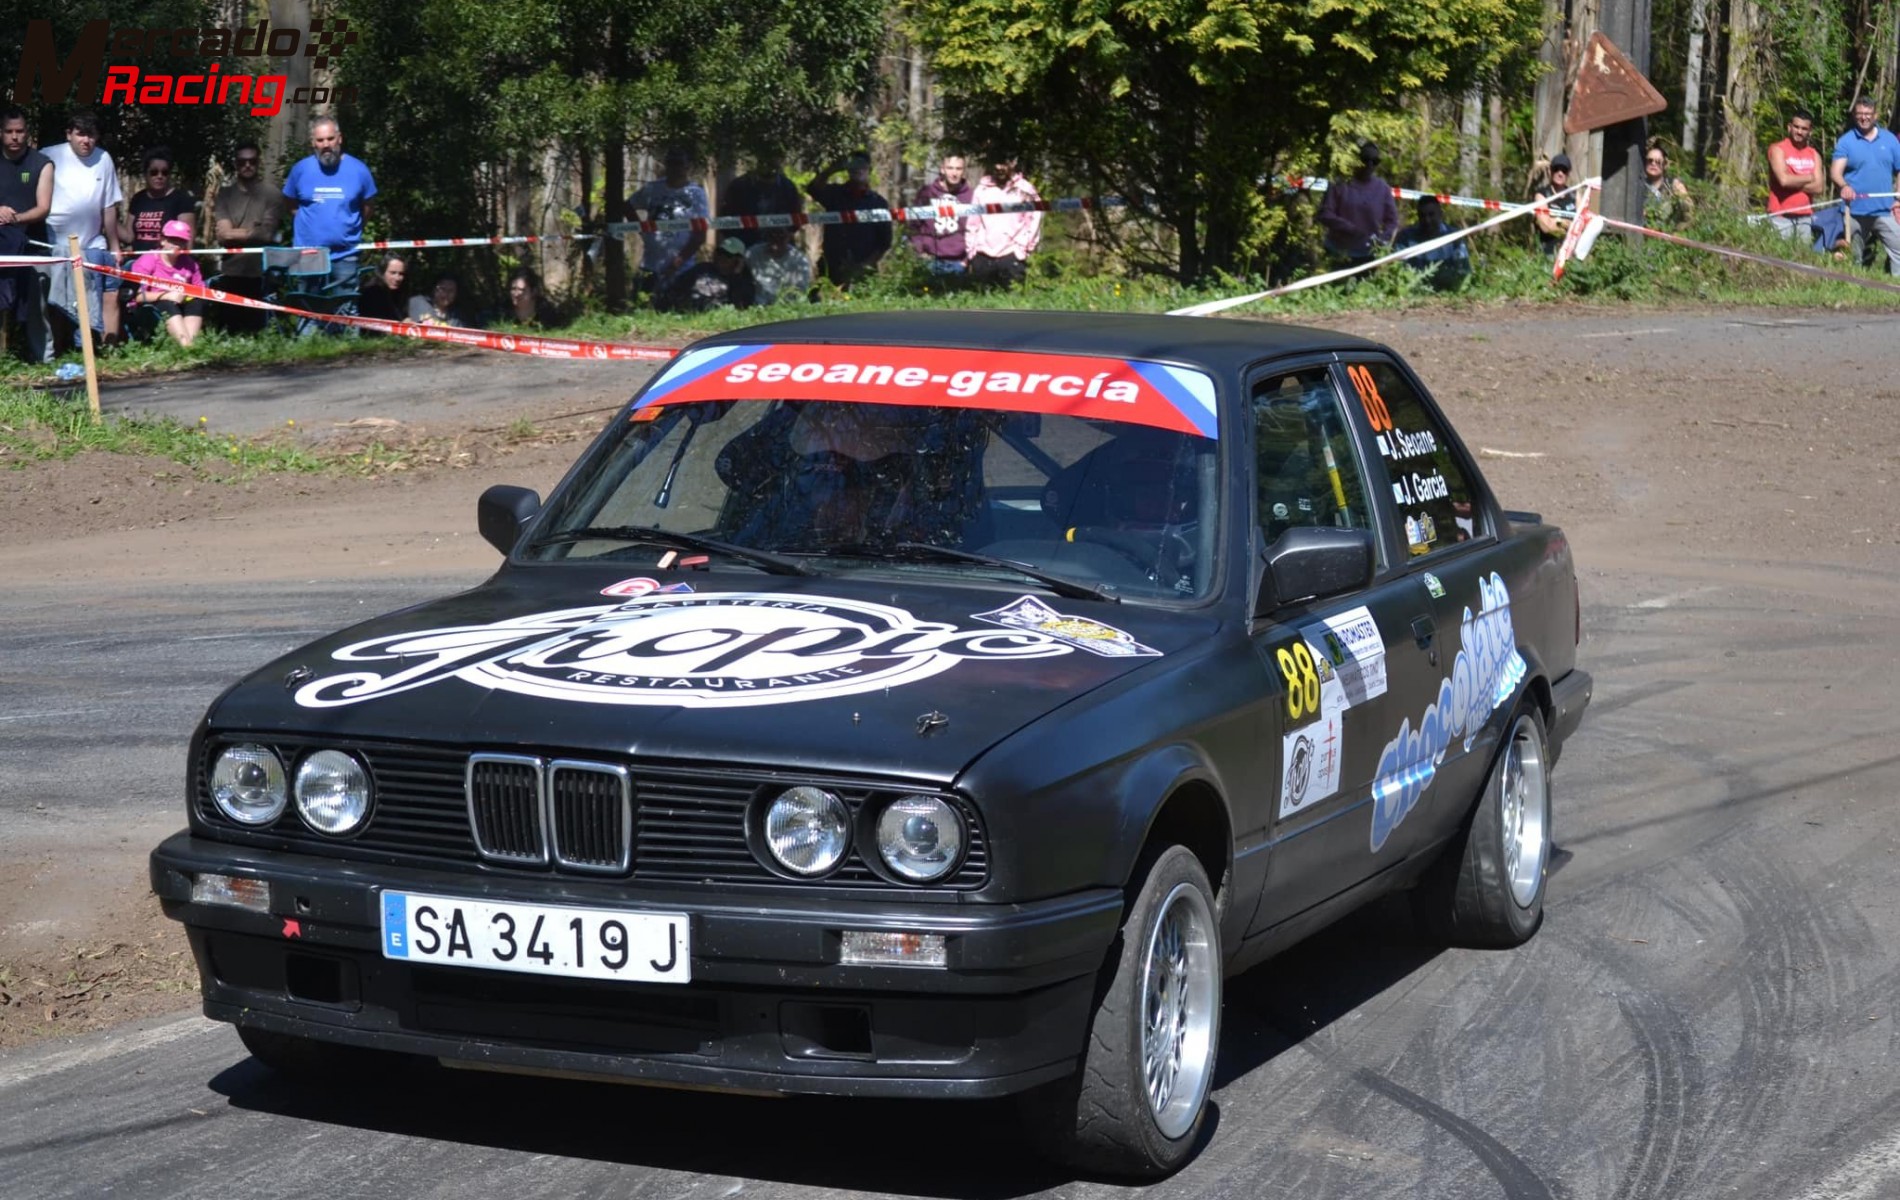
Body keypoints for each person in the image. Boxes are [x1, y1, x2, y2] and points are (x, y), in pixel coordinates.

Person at [41, 111, 123, 347]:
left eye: (91, 135)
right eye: (80, 134)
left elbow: (108, 207)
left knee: (101, 284)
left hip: (93, 242)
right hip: (55, 242)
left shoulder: (104, 159)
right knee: (60, 296)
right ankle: (63, 346)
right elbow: (25, 177)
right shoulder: (49, 155)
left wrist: (115, 246)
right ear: (69, 135)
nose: (86, 140)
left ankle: (91, 343)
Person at [283, 116, 377, 296]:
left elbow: (368, 205)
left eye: (330, 139)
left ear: (339, 138)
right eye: (320, 140)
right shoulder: (300, 170)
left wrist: (351, 228)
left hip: (346, 254)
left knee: (346, 313)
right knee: (307, 312)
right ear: (313, 143)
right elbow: (289, 202)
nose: (326, 144)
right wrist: (309, 223)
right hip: (308, 252)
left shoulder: (359, 170)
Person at [0, 106, 54, 363]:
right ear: (1, 133)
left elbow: (43, 208)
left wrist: (13, 218)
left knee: (36, 304)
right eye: (9, 131)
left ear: (27, 133)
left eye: (19, 131)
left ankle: (43, 359)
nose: (14, 137)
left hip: (33, 244)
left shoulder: (41, 163)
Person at [211, 141, 283, 333]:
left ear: (258, 163)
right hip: (231, 270)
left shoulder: (272, 194)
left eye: (252, 161)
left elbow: (268, 233)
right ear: (235, 164)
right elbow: (223, 235)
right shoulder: (225, 194)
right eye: (242, 162)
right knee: (229, 331)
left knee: (257, 331)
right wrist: (254, 231)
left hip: (261, 273)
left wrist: (236, 233)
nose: (247, 165)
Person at [626, 148, 710, 299]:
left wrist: (677, 263)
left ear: (687, 166)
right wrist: (641, 229)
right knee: (642, 305)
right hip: (650, 264)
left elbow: (700, 235)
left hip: (682, 269)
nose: (675, 168)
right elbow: (627, 206)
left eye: (679, 163)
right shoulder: (653, 189)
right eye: (671, 163)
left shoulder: (696, 194)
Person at [1830, 96, 1900, 275]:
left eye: (1868, 114)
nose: (1864, 118)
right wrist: (1844, 186)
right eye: (1860, 114)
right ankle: (1854, 291)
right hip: (1854, 211)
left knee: (1898, 249)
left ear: (1875, 115)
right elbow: (1835, 172)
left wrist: (1898, 197)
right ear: (1855, 115)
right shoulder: (1846, 141)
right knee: (1852, 255)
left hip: (1885, 210)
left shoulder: (1890, 140)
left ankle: (1895, 288)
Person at [805, 151, 892, 288]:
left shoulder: (878, 203)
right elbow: (812, 189)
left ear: (869, 169)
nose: (858, 170)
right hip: (832, 266)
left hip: (863, 271)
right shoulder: (836, 194)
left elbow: (884, 243)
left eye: (862, 166)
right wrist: (832, 169)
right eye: (854, 166)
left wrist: (865, 266)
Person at [964, 154, 1043, 286]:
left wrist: (1023, 249)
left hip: (1013, 255)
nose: (999, 168)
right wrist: (972, 251)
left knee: (1013, 304)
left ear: (1013, 163)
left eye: (1004, 163)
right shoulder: (981, 190)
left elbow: (1034, 221)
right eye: (996, 163)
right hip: (982, 255)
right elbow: (972, 223)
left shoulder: (1025, 189)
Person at [1316, 141, 1399, 266]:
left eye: (1375, 161)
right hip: (1338, 251)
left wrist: (1383, 240)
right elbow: (1324, 213)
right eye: (1365, 160)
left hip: (1368, 255)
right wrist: (1348, 227)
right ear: (1356, 160)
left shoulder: (1382, 188)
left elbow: (1392, 221)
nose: (1370, 165)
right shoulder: (1340, 183)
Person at [126, 219, 206, 348]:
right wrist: (166, 295)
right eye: (172, 240)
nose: (176, 245)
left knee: (196, 302)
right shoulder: (149, 259)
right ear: (163, 240)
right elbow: (136, 297)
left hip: (183, 302)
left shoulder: (190, 263)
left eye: (181, 241)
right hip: (152, 305)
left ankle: (190, 346)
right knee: (167, 304)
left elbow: (201, 291)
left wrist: (186, 295)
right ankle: (184, 345)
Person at [121, 146, 198, 254]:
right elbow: (129, 237)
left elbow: (187, 242)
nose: (159, 176)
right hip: (137, 262)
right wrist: (108, 213)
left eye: (165, 172)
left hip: (168, 263)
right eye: (154, 172)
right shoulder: (138, 199)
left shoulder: (181, 199)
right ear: (145, 174)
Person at [1766, 109, 1827, 244]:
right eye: (1796, 127)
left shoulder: (1814, 154)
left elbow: (1819, 188)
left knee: (1802, 258)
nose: (1799, 132)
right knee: (1779, 258)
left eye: (1804, 128)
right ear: (1789, 127)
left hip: (1805, 216)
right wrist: (1809, 177)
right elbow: (1784, 180)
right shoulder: (1777, 149)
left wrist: (1793, 179)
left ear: (1810, 131)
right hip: (1780, 215)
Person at [909, 153, 973, 277]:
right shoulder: (927, 192)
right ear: (942, 169)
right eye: (950, 168)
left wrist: (966, 260)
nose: (954, 173)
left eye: (958, 169)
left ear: (963, 171)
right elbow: (914, 225)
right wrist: (920, 251)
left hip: (959, 262)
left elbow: (976, 230)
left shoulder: (970, 196)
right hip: (930, 260)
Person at [719, 154, 802, 248]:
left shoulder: (788, 187)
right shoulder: (739, 186)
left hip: (778, 247)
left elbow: (796, 220)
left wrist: (781, 237)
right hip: (745, 246)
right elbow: (726, 220)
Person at [657, 236, 757, 312]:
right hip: (688, 312)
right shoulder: (702, 268)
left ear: (738, 259)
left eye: (728, 255)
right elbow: (676, 287)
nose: (722, 257)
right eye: (719, 252)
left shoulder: (743, 281)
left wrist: (736, 275)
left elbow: (741, 305)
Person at [1391, 196, 1471, 290]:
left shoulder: (1454, 237)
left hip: (1448, 292)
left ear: (1441, 214)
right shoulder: (1405, 238)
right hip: (1413, 290)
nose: (1427, 220)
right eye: (1422, 216)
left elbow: (1463, 271)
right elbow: (1397, 269)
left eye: (1431, 215)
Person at [746, 226, 812, 304]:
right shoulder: (753, 253)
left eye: (781, 236)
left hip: (788, 307)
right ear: (766, 237)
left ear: (788, 237)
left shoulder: (799, 260)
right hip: (759, 306)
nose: (776, 239)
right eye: (772, 235)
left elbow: (801, 290)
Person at [1640, 141, 1694, 228]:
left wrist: (1682, 196)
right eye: (1650, 161)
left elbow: (1689, 212)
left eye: (1658, 162)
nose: (1653, 164)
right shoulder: (1638, 185)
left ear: (1665, 164)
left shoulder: (1672, 184)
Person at [1534, 154, 1578, 255]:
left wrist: (1556, 222)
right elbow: (1546, 227)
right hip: (1549, 252)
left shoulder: (1575, 195)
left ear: (1568, 174)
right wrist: (1568, 224)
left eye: (1564, 170)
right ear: (1550, 171)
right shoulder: (1542, 195)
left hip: (1572, 253)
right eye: (1556, 169)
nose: (1560, 173)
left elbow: (1582, 225)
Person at [355, 254, 407, 325]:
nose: (397, 278)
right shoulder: (372, 292)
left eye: (401, 274)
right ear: (382, 272)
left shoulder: (395, 291)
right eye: (393, 273)